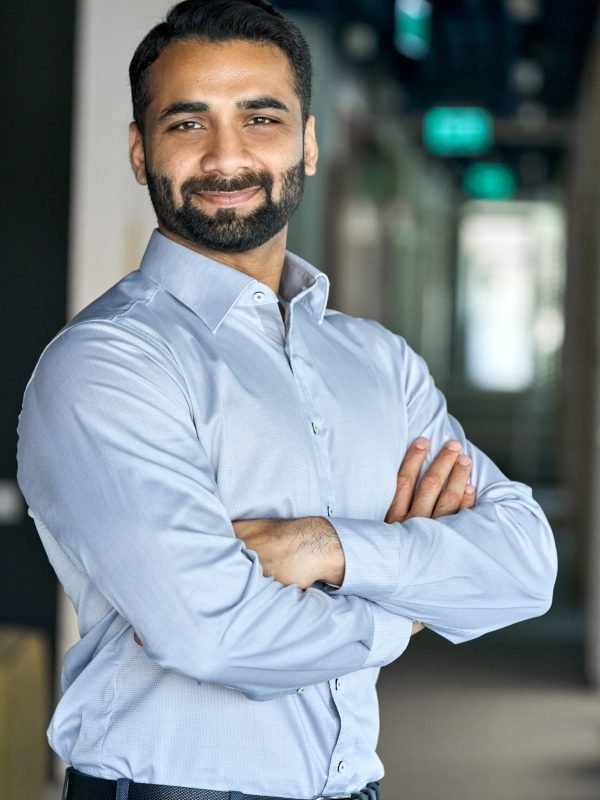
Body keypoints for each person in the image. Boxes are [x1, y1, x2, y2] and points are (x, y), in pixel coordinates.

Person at [16, 1, 557, 799]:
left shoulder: (379, 363)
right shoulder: (107, 365)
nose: (226, 156)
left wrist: (327, 547)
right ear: (140, 151)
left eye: (260, 117)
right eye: (187, 123)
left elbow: (525, 563)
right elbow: (213, 633)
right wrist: (402, 611)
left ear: (307, 142)